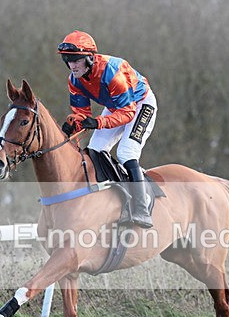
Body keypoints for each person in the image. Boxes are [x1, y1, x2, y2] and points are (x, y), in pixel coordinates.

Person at [57, 30, 157, 228]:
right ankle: (112, 197)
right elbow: (82, 114)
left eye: (76, 60)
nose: (71, 65)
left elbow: (128, 113)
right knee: (95, 151)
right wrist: (71, 125)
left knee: (126, 152)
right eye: (67, 60)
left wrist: (98, 123)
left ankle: (141, 208)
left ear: (90, 58)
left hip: (139, 105)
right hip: (115, 107)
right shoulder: (74, 80)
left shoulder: (112, 72)